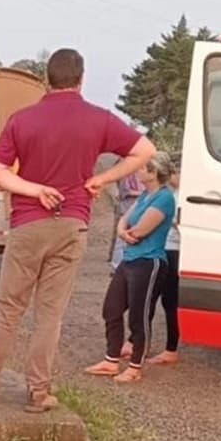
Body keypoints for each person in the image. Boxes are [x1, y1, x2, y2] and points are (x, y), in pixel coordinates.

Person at [0, 48, 156, 412]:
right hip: (72, 225)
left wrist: (34, 190)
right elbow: (145, 150)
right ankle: (39, 391)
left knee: (9, 308)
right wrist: (102, 179)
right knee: (49, 314)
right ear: (82, 79)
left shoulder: (23, 119)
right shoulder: (99, 119)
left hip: (28, 224)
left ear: (47, 78)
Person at [84, 152, 177, 382]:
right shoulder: (145, 194)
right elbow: (124, 219)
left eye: (142, 168)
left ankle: (135, 366)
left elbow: (141, 230)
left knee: (139, 315)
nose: (137, 171)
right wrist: (123, 231)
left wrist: (126, 233)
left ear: (154, 172)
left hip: (149, 261)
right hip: (130, 259)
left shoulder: (164, 198)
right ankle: (111, 359)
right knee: (111, 308)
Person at [146, 153, 182, 365]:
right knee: (149, 298)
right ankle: (137, 342)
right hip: (162, 247)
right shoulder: (168, 194)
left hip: (173, 250)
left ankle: (171, 348)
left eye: (176, 171)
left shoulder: (181, 197)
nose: (172, 176)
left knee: (169, 301)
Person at [109, 162, 143, 272]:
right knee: (121, 239)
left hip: (135, 209)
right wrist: (143, 193)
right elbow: (126, 192)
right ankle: (116, 264)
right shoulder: (126, 176)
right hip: (126, 208)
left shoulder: (138, 175)